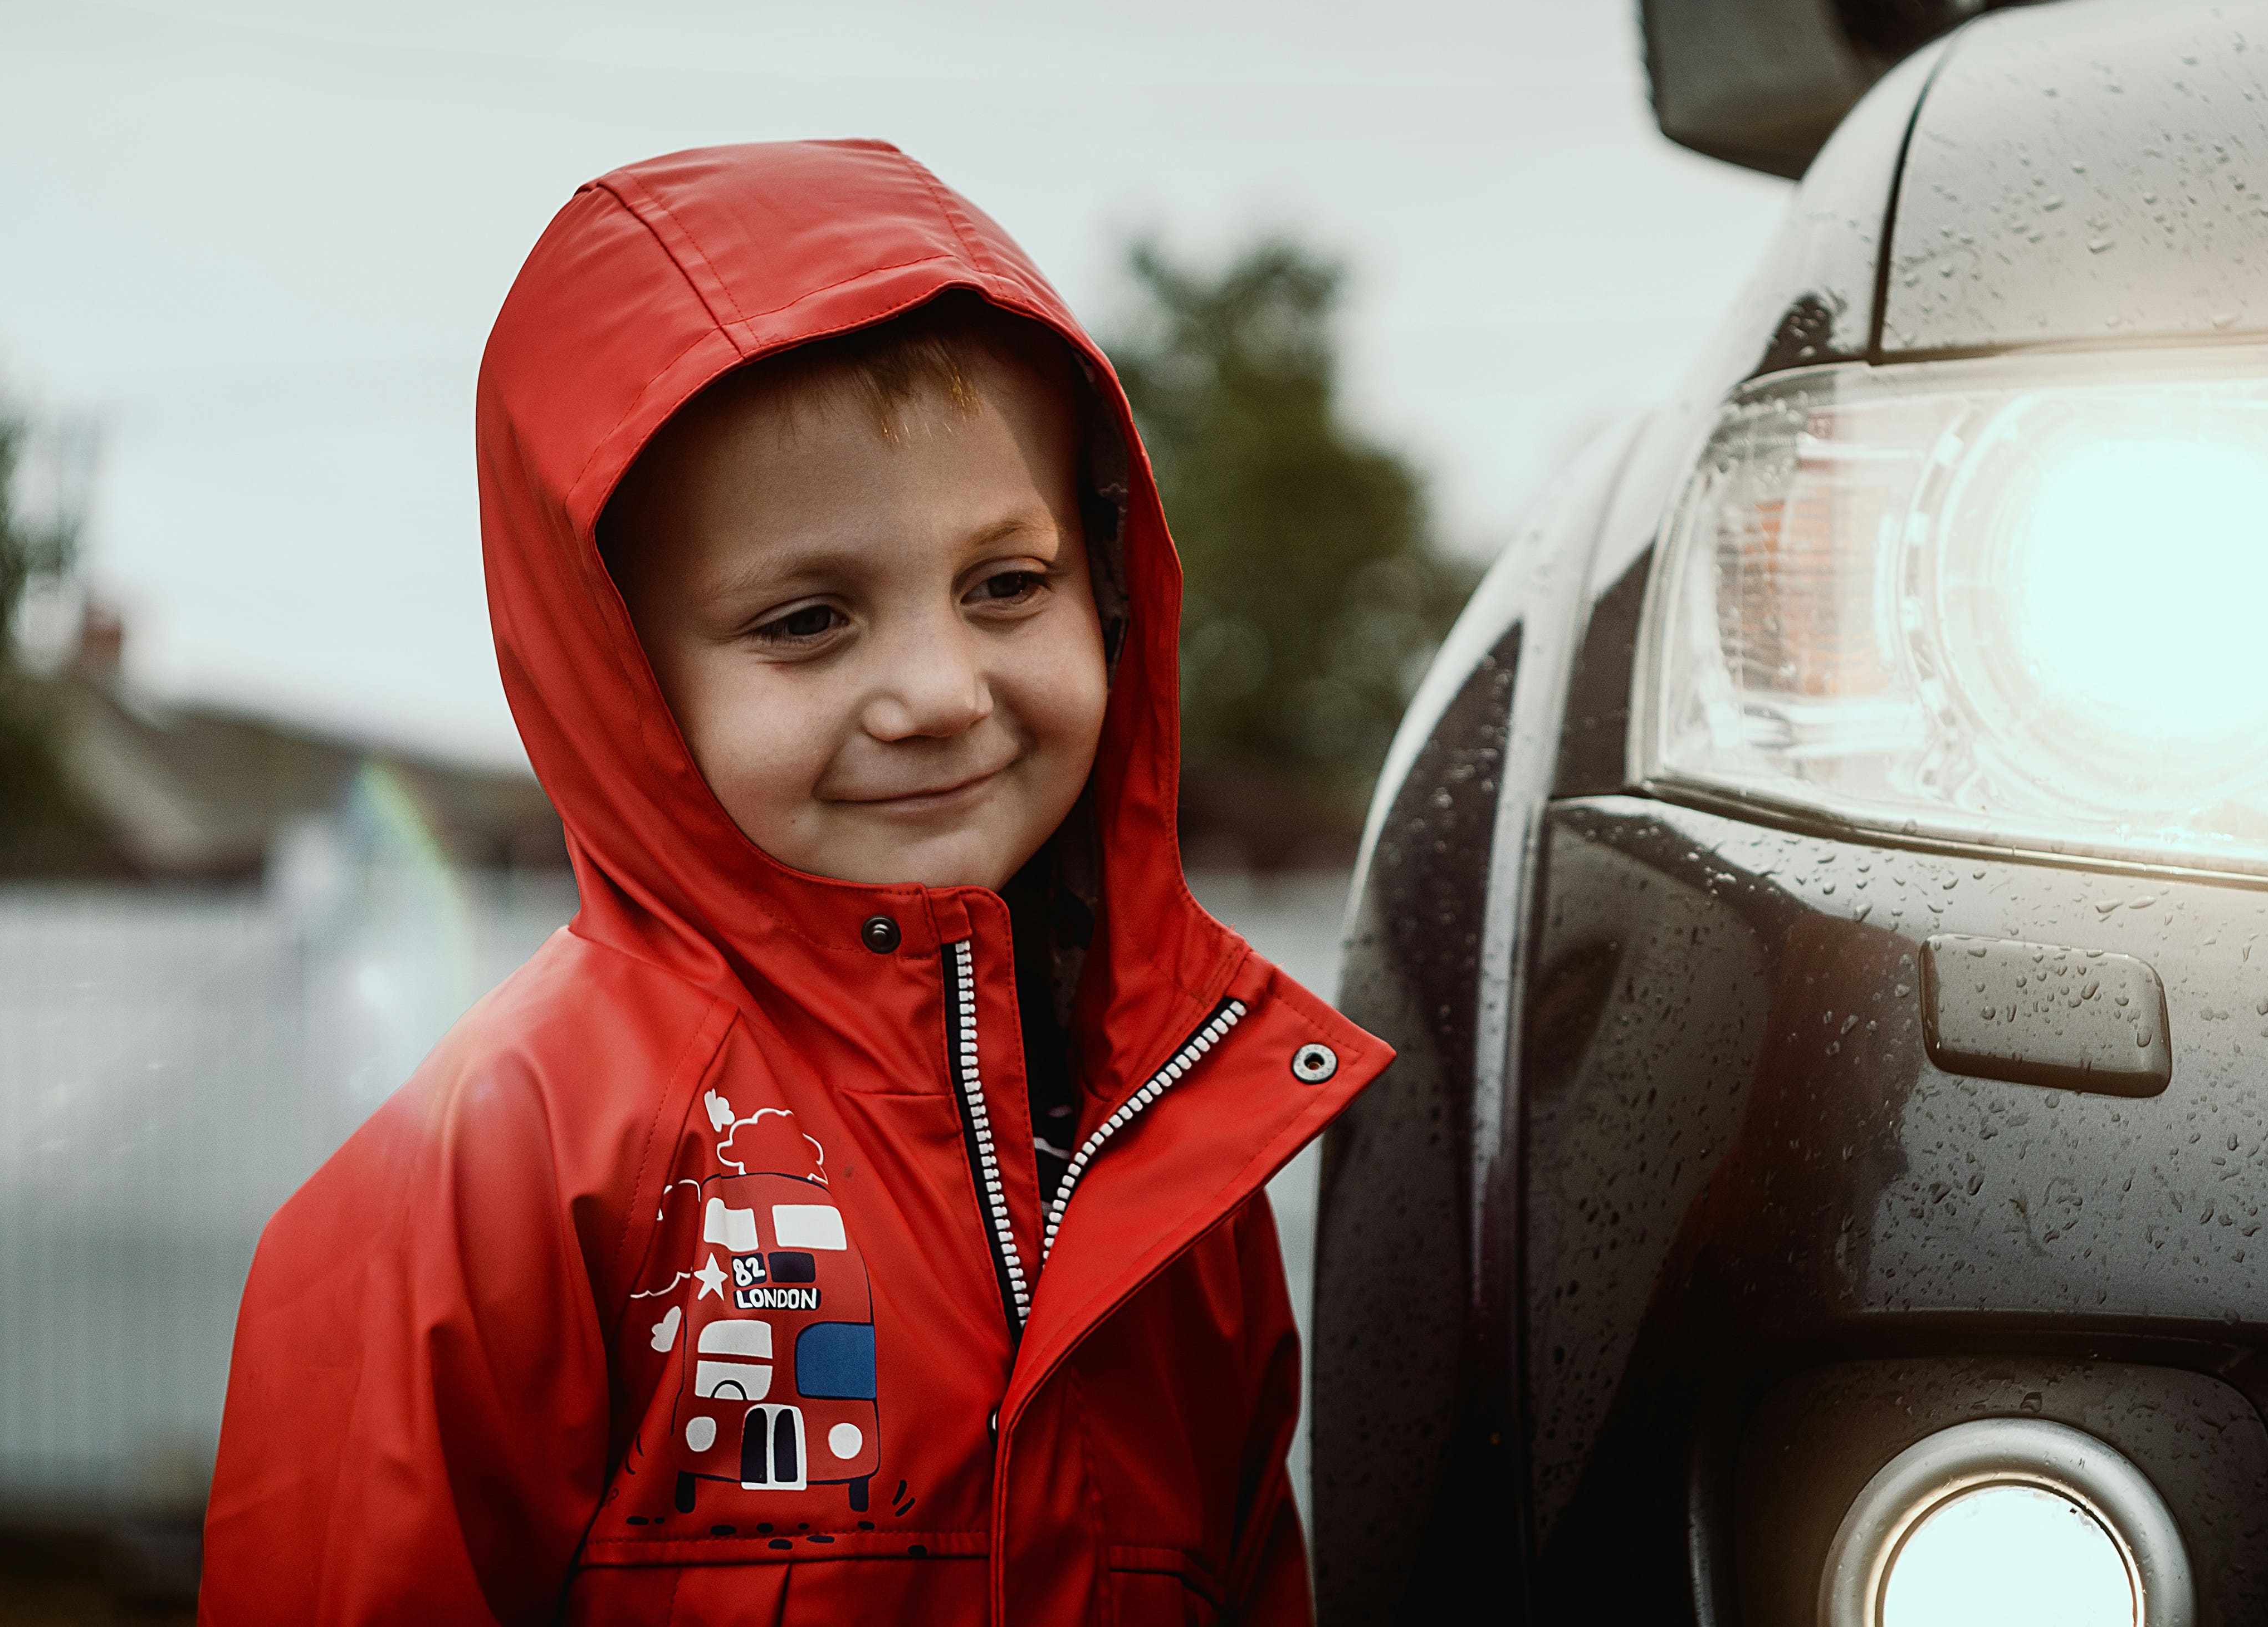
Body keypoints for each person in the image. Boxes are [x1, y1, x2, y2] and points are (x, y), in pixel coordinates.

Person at [198, 138, 1389, 1626]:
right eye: (810, 620)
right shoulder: (503, 1165)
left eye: (1007, 585)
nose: (941, 690)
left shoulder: (1169, 1155)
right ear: (619, 671)